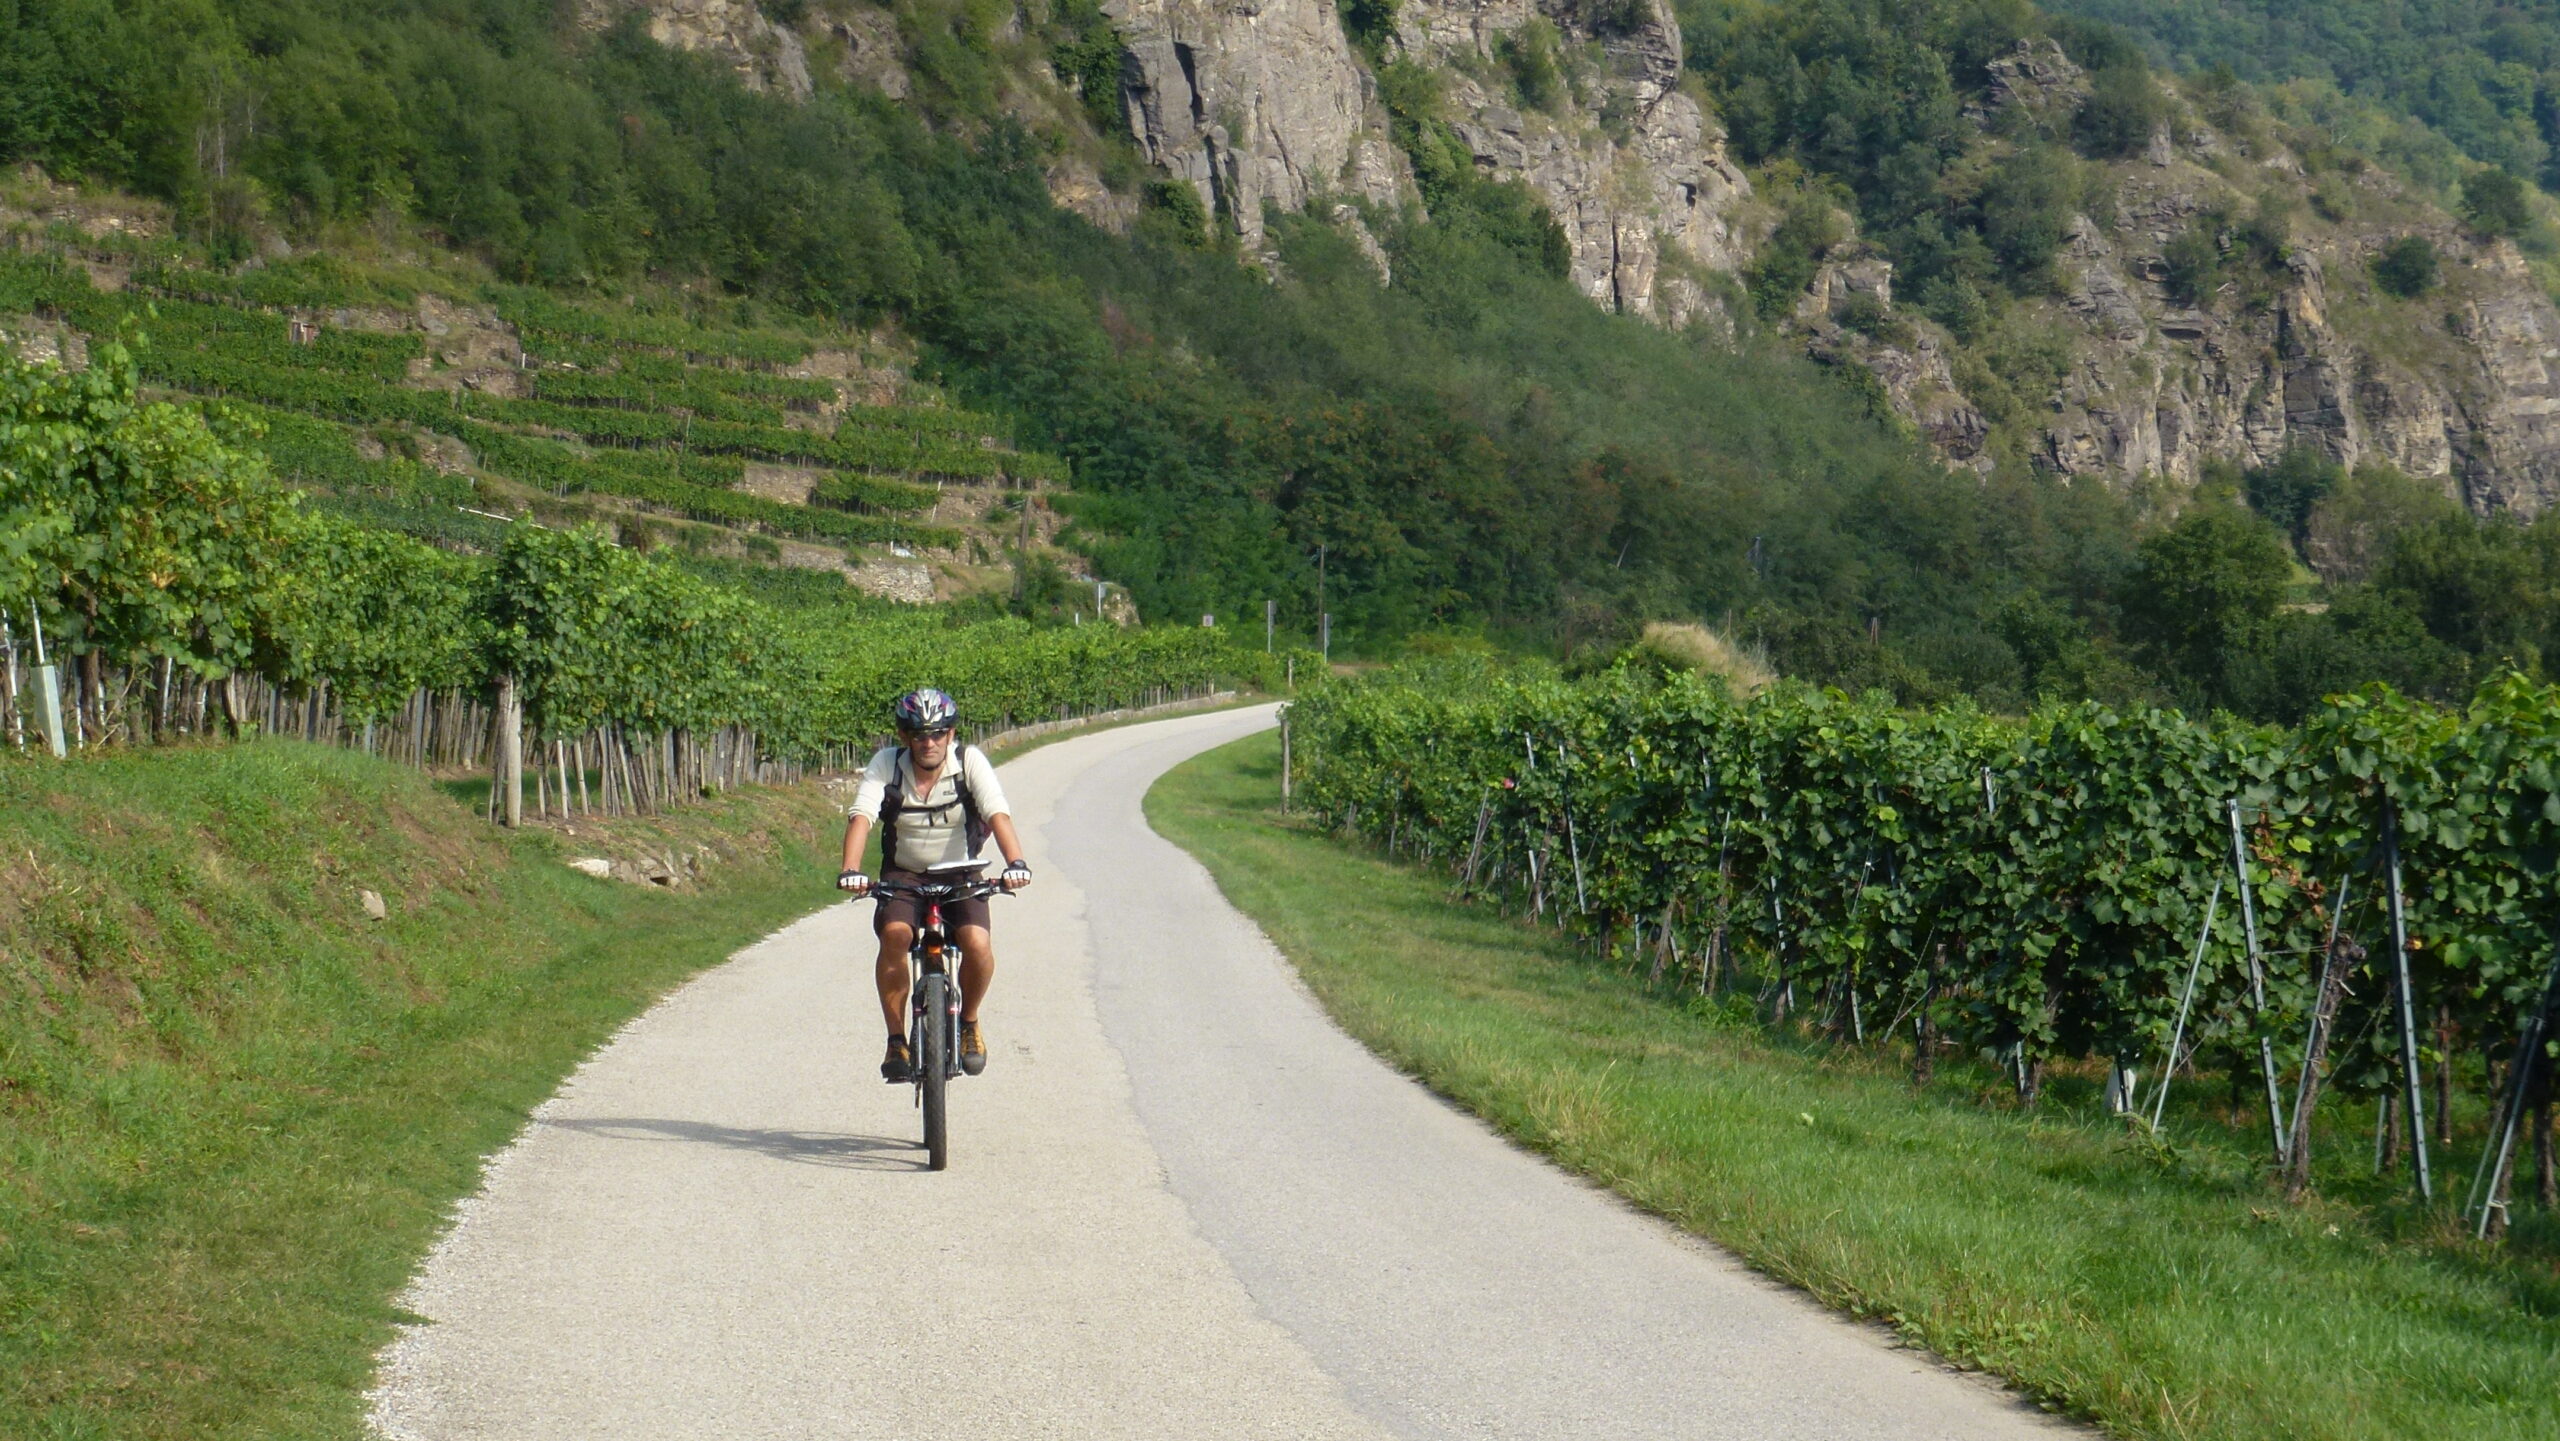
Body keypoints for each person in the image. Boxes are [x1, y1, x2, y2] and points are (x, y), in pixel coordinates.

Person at [836, 688, 1032, 1082]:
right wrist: (850, 869)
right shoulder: (887, 765)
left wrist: (1017, 863)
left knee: (977, 943)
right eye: (919, 734)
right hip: (904, 873)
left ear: (951, 733)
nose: (929, 743)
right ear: (905, 737)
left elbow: (996, 813)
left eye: (938, 733)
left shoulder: (968, 761)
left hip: (962, 872)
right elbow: (862, 816)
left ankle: (969, 1023)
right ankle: (896, 1040)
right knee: (895, 935)